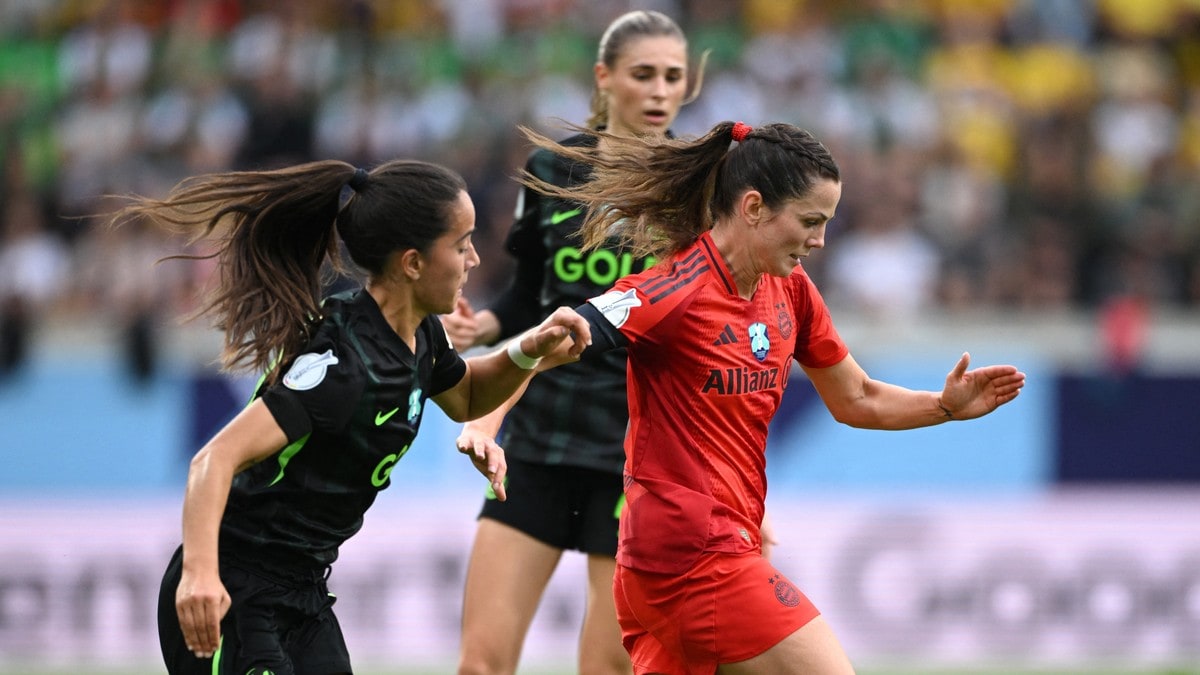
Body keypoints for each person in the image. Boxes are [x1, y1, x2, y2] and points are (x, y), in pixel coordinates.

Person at [500, 120, 1027, 674]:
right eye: (810, 222)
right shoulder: (671, 291)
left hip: (692, 560)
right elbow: (547, 345)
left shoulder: (791, 289)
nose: (820, 240)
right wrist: (484, 422)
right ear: (753, 207)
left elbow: (858, 398)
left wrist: (943, 406)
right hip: (691, 559)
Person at [108, 159, 591, 674]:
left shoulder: (421, 336)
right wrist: (200, 577)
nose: (474, 258)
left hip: (303, 593)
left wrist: (529, 352)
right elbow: (214, 459)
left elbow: (468, 396)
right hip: (233, 590)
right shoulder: (344, 366)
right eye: (461, 243)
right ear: (412, 264)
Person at [444, 10, 706, 675]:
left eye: (672, 78)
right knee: (479, 663)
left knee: (610, 668)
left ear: (687, 88)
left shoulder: (697, 188)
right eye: (642, 74)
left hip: (635, 455)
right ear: (605, 78)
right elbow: (530, 293)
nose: (658, 91)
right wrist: (487, 326)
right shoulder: (553, 171)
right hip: (538, 438)